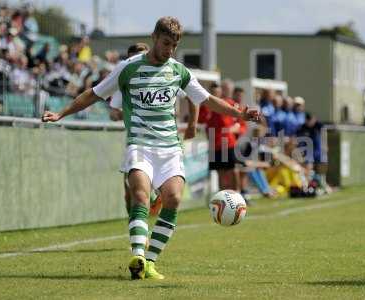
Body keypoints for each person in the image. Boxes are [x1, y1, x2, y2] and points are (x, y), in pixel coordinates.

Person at [42, 16, 259, 280]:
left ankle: (150, 262)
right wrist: (62, 114)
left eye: (174, 46)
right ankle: (138, 255)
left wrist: (241, 113)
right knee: (140, 195)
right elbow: (94, 93)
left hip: (169, 149)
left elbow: (208, 99)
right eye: (166, 43)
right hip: (140, 146)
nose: (169, 50)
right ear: (155, 37)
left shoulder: (178, 71)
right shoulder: (128, 68)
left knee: (174, 199)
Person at [109, 42, 199, 217]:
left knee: (154, 189)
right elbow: (113, 111)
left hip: (163, 142)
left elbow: (192, 97)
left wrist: (192, 125)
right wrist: (121, 114)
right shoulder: (126, 80)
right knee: (129, 193)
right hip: (137, 142)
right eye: (131, 57)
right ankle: (136, 229)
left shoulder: (165, 76)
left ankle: (158, 198)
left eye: (140, 55)